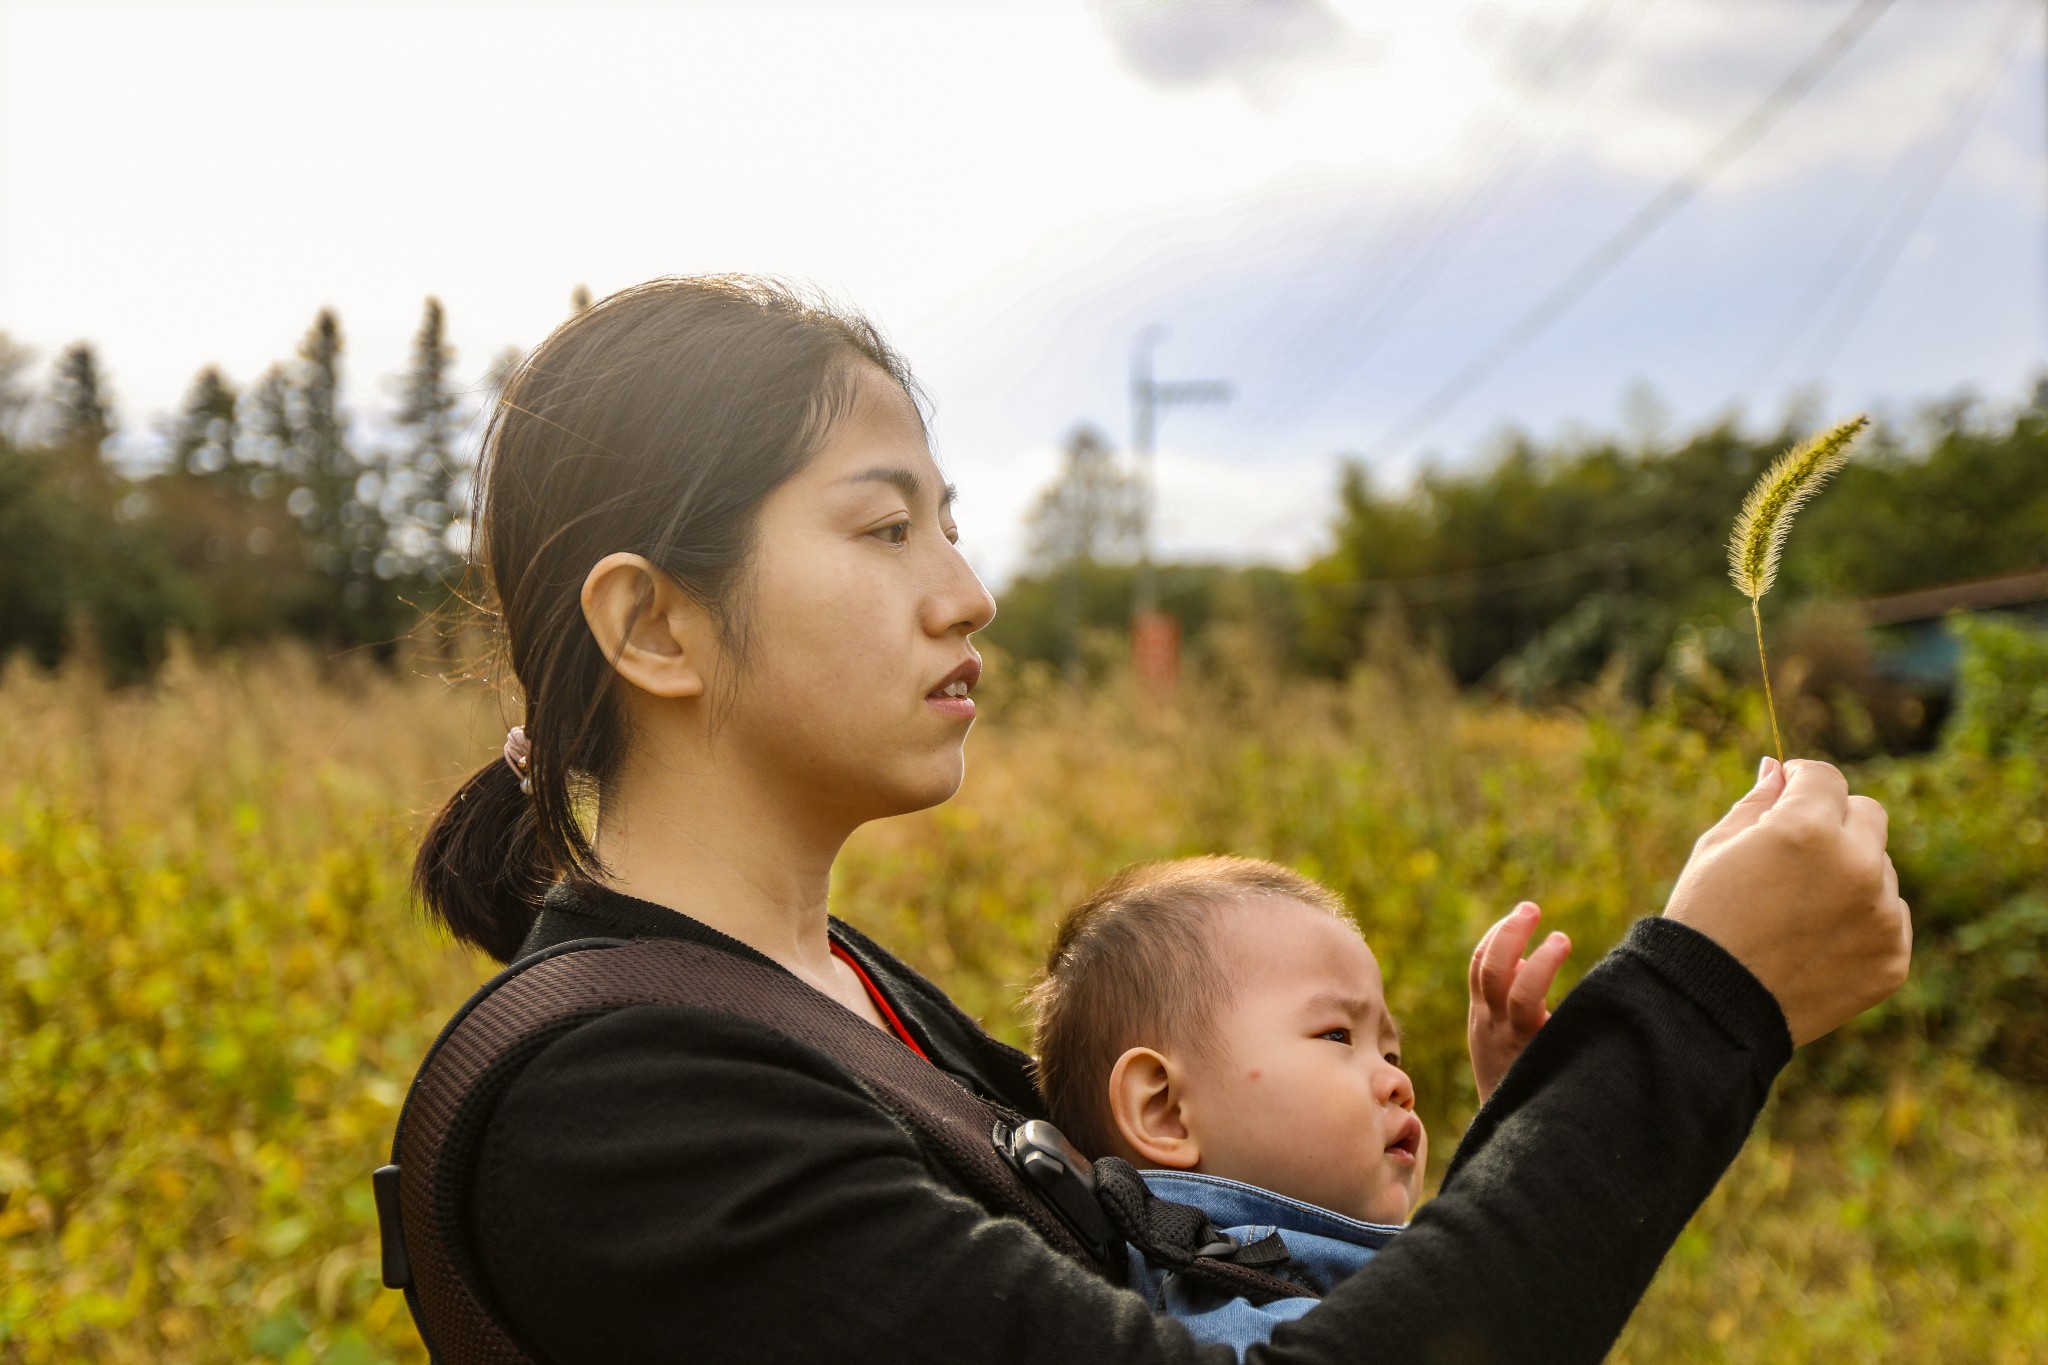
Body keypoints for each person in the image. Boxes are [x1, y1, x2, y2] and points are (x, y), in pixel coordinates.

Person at [408, 274, 1913, 1364]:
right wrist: (1700, 1013)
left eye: (950, 520)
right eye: (882, 528)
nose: (967, 591)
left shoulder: (833, 997)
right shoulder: (620, 1110)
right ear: (654, 627)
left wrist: (1528, 1139)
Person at [1027, 857, 1575, 1357]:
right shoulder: (1237, 1316)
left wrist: (1513, 1122)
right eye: (1338, 1035)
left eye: (1391, 1052)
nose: (1398, 1082)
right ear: (1166, 1110)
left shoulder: (1306, 1273)